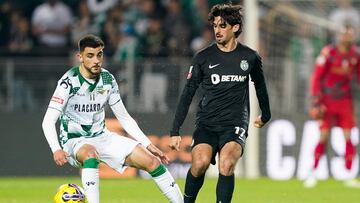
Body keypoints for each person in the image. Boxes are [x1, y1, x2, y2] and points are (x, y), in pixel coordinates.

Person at [42, 34, 183, 203]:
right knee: (90, 154)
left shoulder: (108, 79)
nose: (96, 60)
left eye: (99, 55)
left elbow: (124, 117)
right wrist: (55, 149)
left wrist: (147, 144)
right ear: (80, 57)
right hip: (74, 141)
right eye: (90, 55)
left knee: (152, 162)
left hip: (103, 137)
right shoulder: (68, 82)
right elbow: (48, 120)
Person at [169, 4, 271, 203]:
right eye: (215, 25)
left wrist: (266, 114)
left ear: (235, 28)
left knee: (226, 164)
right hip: (207, 123)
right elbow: (187, 93)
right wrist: (175, 130)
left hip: (234, 124)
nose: (217, 30)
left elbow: (260, 86)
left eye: (222, 25)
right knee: (199, 164)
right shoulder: (203, 57)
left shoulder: (249, 57)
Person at [305, 24, 360, 188]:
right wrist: (315, 98)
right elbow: (316, 76)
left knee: (349, 136)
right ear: (339, 36)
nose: (347, 38)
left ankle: (349, 174)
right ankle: (312, 173)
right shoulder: (328, 53)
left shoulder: (355, 55)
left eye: (350, 35)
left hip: (345, 100)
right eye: (345, 35)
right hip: (327, 99)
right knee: (323, 136)